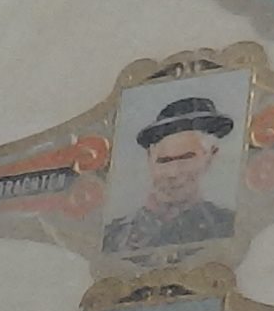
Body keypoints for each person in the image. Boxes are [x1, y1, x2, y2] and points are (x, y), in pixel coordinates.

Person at [96, 95, 239, 260]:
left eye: (186, 158)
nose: (173, 173)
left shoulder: (228, 225)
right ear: (149, 159)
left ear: (211, 156)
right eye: (164, 161)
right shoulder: (113, 236)